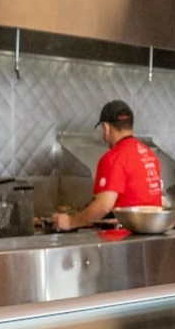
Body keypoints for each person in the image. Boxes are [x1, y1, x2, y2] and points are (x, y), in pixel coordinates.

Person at [52, 99, 165, 231]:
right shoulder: (150, 155)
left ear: (106, 127)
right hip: (151, 233)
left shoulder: (113, 158)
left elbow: (103, 206)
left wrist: (70, 222)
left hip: (123, 238)